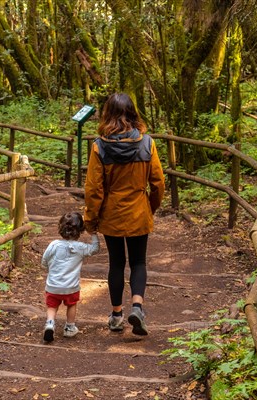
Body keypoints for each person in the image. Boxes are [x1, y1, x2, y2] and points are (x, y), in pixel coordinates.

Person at [84, 93, 165, 336]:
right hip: (139, 210)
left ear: (107, 113)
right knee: (139, 261)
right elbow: (158, 182)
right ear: (133, 112)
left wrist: (91, 218)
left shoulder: (99, 146)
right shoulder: (147, 143)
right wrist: (151, 206)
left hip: (112, 213)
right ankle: (137, 306)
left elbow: (93, 188)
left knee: (117, 263)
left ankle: (117, 315)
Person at [41, 212, 100, 342]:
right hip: (71, 287)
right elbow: (95, 249)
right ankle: (69, 327)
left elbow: (44, 260)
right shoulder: (81, 248)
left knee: (52, 306)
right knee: (71, 305)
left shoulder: (54, 244)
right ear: (80, 231)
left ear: (61, 228)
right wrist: (94, 234)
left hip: (53, 286)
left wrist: (47, 268)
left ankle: (50, 323)